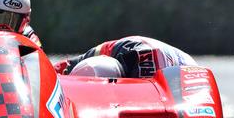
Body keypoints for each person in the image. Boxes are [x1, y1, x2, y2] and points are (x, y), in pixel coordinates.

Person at [54, 36, 197, 78]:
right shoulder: (113, 50)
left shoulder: (119, 51)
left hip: (187, 75)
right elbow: (57, 70)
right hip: (192, 70)